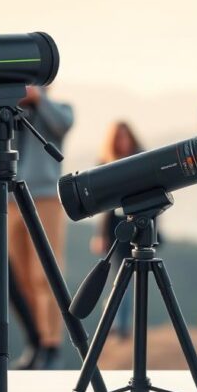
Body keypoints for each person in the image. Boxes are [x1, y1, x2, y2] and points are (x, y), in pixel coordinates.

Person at [0, 85, 74, 369]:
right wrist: (1, 109)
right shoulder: (10, 112)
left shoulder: (57, 109)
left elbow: (63, 124)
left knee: (45, 272)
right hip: (9, 198)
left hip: (45, 197)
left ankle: (51, 345)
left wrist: (39, 100)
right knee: (18, 277)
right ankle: (35, 339)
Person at [90, 121, 143, 339]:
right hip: (115, 228)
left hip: (137, 224)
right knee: (117, 276)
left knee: (131, 278)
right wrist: (101, 235)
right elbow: (104, 207)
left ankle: (124, 325)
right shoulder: (106, 163)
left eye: (125, 136)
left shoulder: (141, 161)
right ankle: (116, 323)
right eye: (119, 137)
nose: (122, 141)